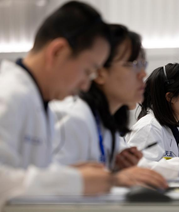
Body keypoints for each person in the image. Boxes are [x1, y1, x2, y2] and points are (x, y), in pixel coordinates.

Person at [0, 1, 112, 205]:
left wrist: (65, 174)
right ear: (57, 52)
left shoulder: (40, 102)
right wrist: (73, 181)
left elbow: (23, 173)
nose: (86, 86)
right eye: (87, 71)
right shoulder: (8, 94)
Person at [51, 26, 167, 189]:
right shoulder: (73, 118)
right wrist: (113, 178)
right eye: (133, 64)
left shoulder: (106, 122)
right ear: (100, 72)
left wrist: (115, 168)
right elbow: (52, 190)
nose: (143, 74)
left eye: (143, 64)